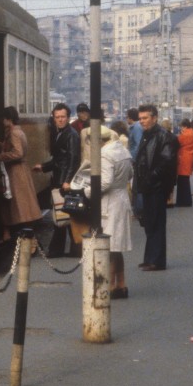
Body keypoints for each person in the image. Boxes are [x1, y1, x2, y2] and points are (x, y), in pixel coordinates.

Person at [69, 121, 135, 297]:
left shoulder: (105, 154)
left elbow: (105, 182)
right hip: (122, 199)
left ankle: (110, 286)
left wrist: (85, 192)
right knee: (116, 247)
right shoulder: (122, 150)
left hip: (109, 203)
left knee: (109, 247)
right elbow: (130, 174)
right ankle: (121, 284)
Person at [132, 103, 177, 271]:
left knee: (156, 223)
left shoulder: (163, 136)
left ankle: (157, 260)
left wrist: (151, 177)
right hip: (147, 185)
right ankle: (150, 257)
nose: (142, 121)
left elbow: (166, 162)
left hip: (157, 186)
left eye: (145, 118)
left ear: (154, 118)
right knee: (149, 222)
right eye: (140, 118)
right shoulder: (148, 135)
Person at [36, 102, 81, 257]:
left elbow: (73, 159)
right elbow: (60, 159)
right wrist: (43, 167)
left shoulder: (71, 135)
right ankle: (71, 248)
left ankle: (61, 249)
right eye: (57, 117)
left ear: (68, 117)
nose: (60, 119)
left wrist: (67, 180)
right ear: (54, 118)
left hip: (64, 181)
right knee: (63, 214)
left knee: (64, 214)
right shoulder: (63, 133)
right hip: (60, 178)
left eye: (63, 117)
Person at [0, 106, 42, 242]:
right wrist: (0, 144)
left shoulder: (13, 133)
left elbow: (17, 153)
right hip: (21, 170)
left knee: (15, 203)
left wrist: (1, 156)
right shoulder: (19, 131)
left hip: (15, 172)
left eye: (3, 119)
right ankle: (17, 234)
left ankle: (20, 237)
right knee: (22, 203)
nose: (2, 121)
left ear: (8, 119)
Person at [176, 118, 193, 208]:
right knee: (185, 180)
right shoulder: (192, 132)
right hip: (189, 156)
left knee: (182, 181)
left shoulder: (185, 134)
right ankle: (186, 201)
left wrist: (179, 135)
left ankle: (183, 201)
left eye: (181, 127)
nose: (181, 128)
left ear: (185, 126)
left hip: (183, 157)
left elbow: (178, 142)